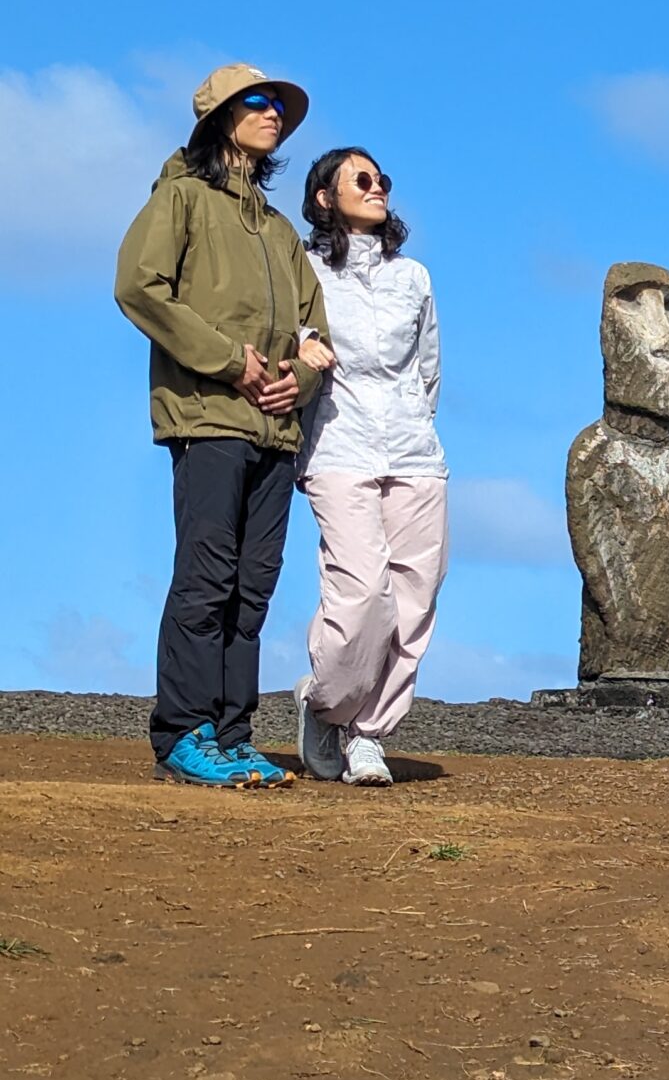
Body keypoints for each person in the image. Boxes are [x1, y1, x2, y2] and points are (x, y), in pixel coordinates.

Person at [115, 65, 331, 788]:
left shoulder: (278, 230)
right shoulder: (181, 198)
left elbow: (315, 333)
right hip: (207, 417)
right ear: (220, 118)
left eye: (279, 106)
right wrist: (226, 363)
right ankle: (183, 733)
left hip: (274, 429)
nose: (275, 114)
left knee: (253, 588)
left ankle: (235, 739)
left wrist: (294, 381)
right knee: (206, 581)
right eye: (259, 103)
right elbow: (137, 287)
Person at [292, 148, 448, 786]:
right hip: (338, 447)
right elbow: (290, 337)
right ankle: (325, 704)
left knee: (414, 597)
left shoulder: (414, 276)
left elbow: (429, 369)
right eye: (361, 179)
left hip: (415, 454)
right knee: (361, 591)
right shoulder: (304, 269)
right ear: (325, 197)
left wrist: (415, 419)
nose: (377, 186)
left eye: (382, 179)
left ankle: (368, 735)